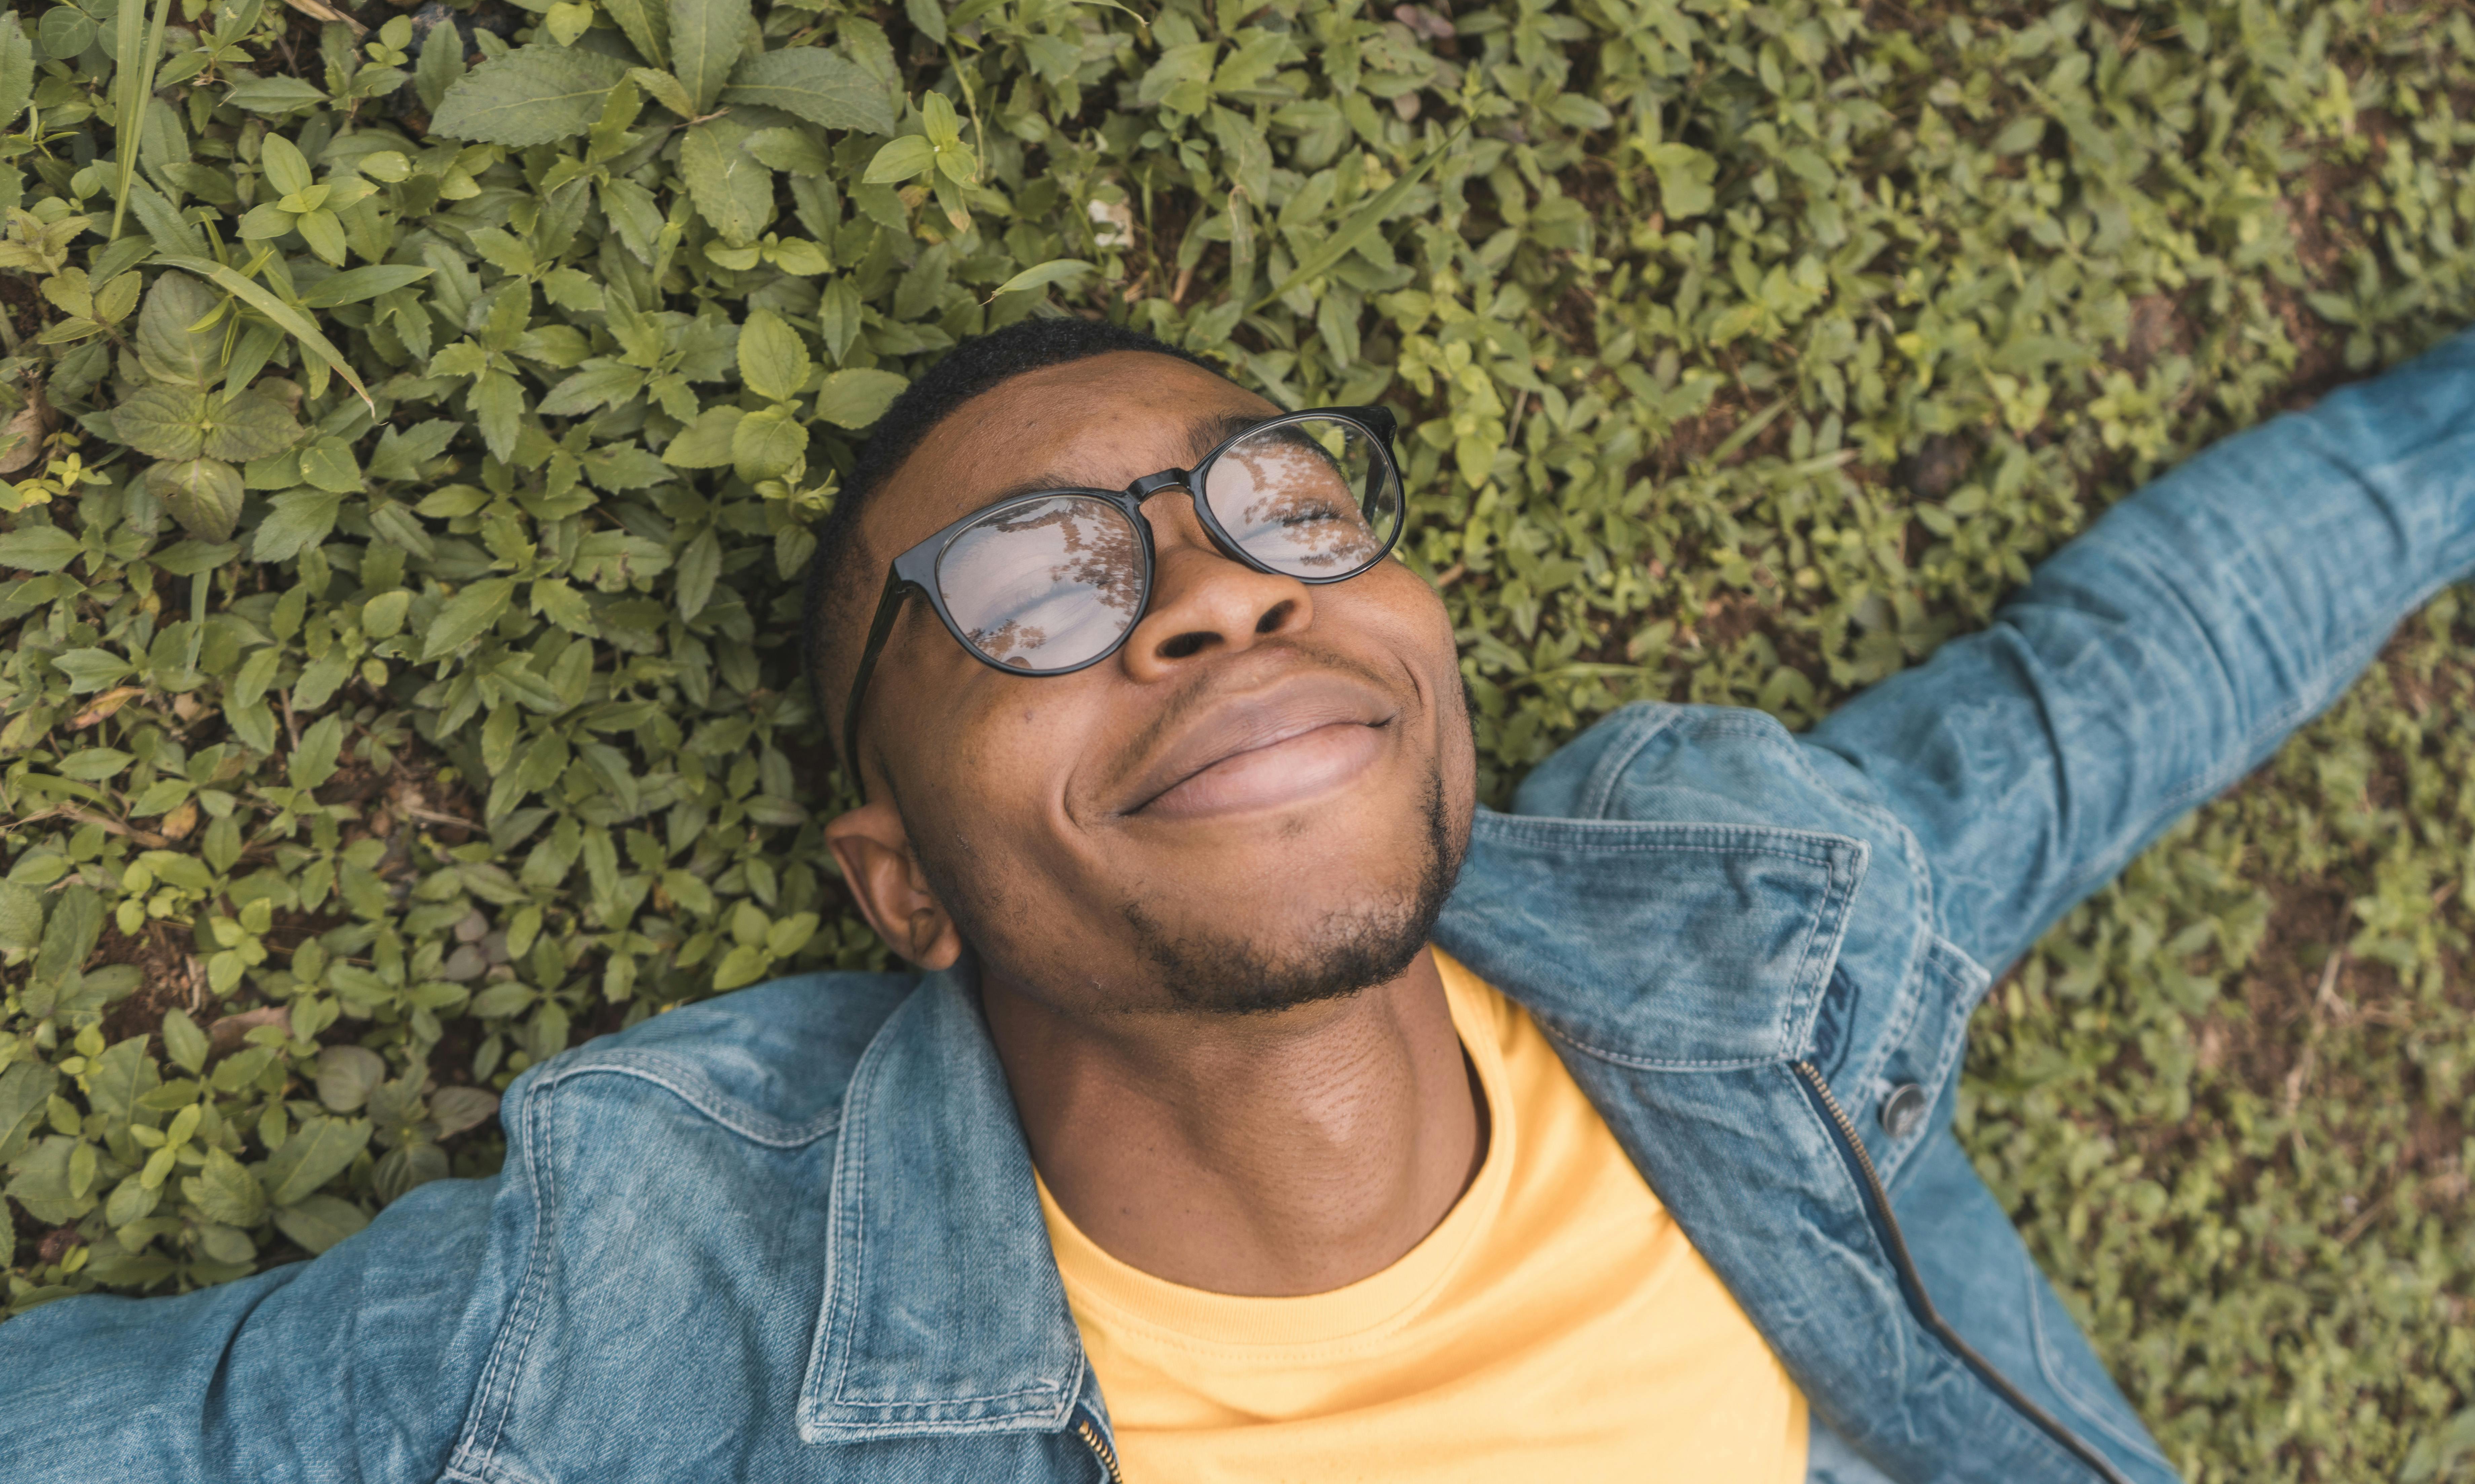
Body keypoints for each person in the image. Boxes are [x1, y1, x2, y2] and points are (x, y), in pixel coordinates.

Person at [2, 315, 2469, 1484]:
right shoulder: (643, 1298)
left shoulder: (1734, 928)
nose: (1218, 595)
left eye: (1283, 508)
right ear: (909, 884)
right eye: (1039, 586)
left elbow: (2120, 683)